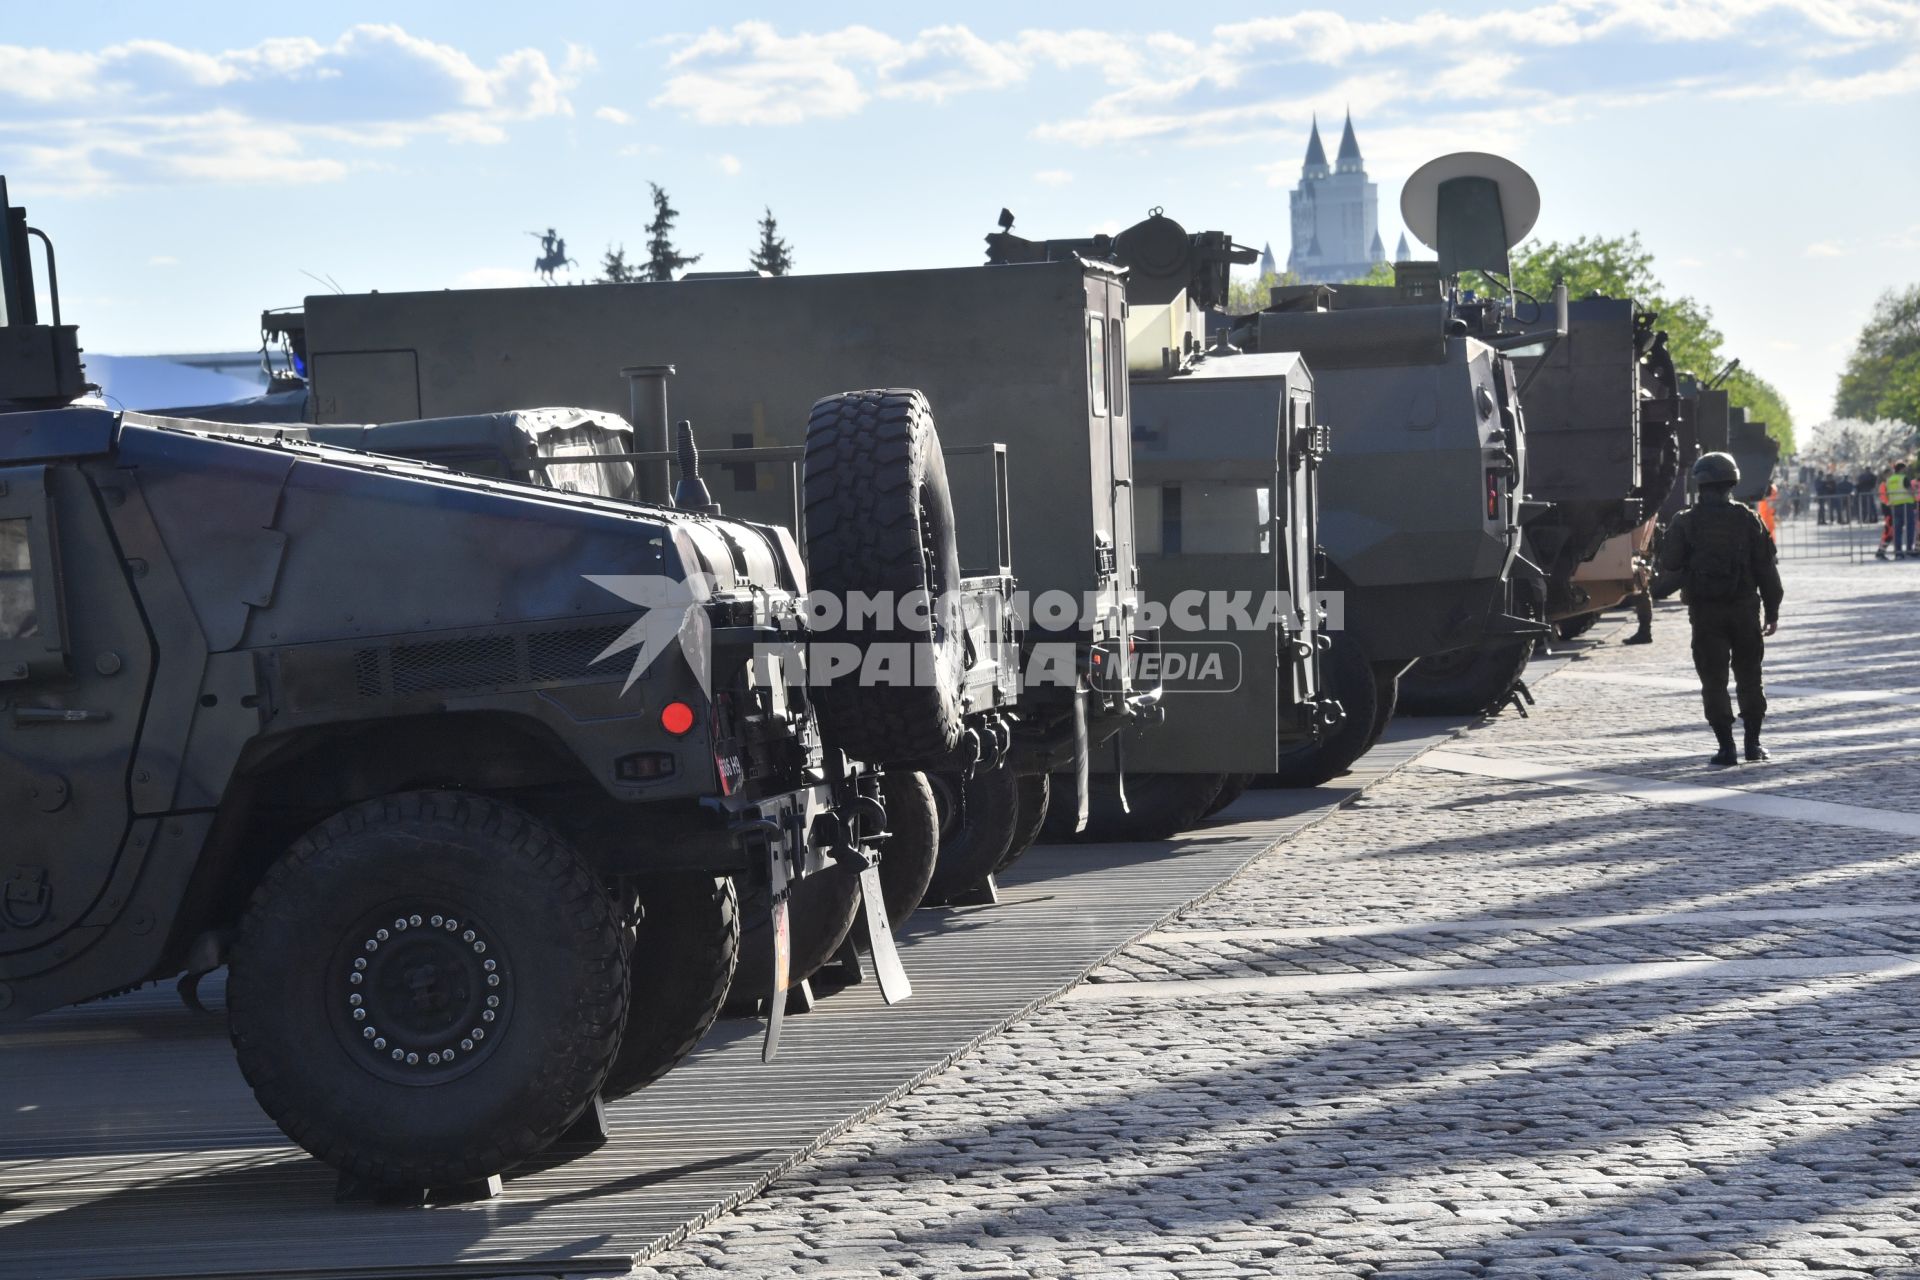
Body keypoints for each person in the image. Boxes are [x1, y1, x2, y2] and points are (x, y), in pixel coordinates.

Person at [1657, 452, 1784, 767]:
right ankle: (1753, 745)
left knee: (1713, 680)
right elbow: (1767, 570)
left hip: (1706, 613)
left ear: (1699, 483)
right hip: (1744, 609)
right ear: (1732, 481)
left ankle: (1726, 748)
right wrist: (1773, 610)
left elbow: (1670, 563)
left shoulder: (1685, 521)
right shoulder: (1748, 519)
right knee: (1750, 676)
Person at [1880, 461, 1916, 558]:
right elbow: (1910, 491)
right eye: (1905, 469)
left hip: (1895, 507)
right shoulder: (1903, 478)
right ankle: (1909, 549)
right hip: (1906, 505)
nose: (1906, 470)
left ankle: (1898, 552)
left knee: (1897, 530)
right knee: (1910, 528)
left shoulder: (1889, 480)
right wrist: (1915, 497)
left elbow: (1888, 493)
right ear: (1902, 469)